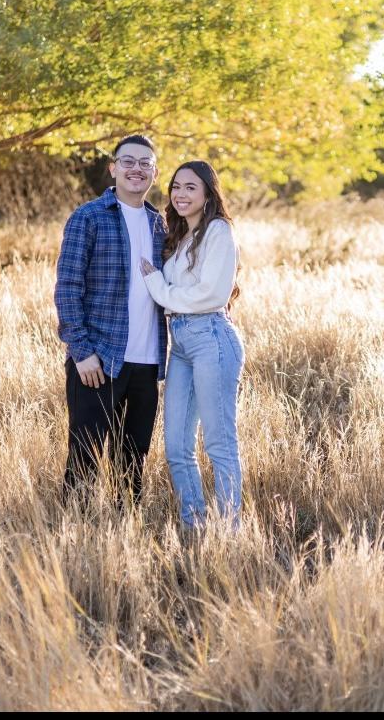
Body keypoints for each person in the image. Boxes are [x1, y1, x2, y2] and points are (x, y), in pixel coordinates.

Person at [54, 134, 167, 507]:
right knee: (84, 457)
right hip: (99, 359)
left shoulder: (160, 225)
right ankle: (76, 531)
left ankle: (125, 531)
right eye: (128, 162)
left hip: (146, 362)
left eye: (145, 163)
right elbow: (68, 288)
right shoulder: (88, 217)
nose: (137, 169)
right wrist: (81, 351)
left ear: (154, 173)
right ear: (113, 168)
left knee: (132, 462)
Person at [139, 161, 243, 529]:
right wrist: (166, 293)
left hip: (211, 338)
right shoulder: (182, 235)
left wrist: (159, 287)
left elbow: (211, 294)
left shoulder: (219, 231)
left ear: (208, 194)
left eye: (190, 187)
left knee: (219, 443)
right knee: (177, 447)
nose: (180, 194)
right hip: (180, 344)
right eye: (176, 187)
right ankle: (194, 525)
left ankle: (229, 531)